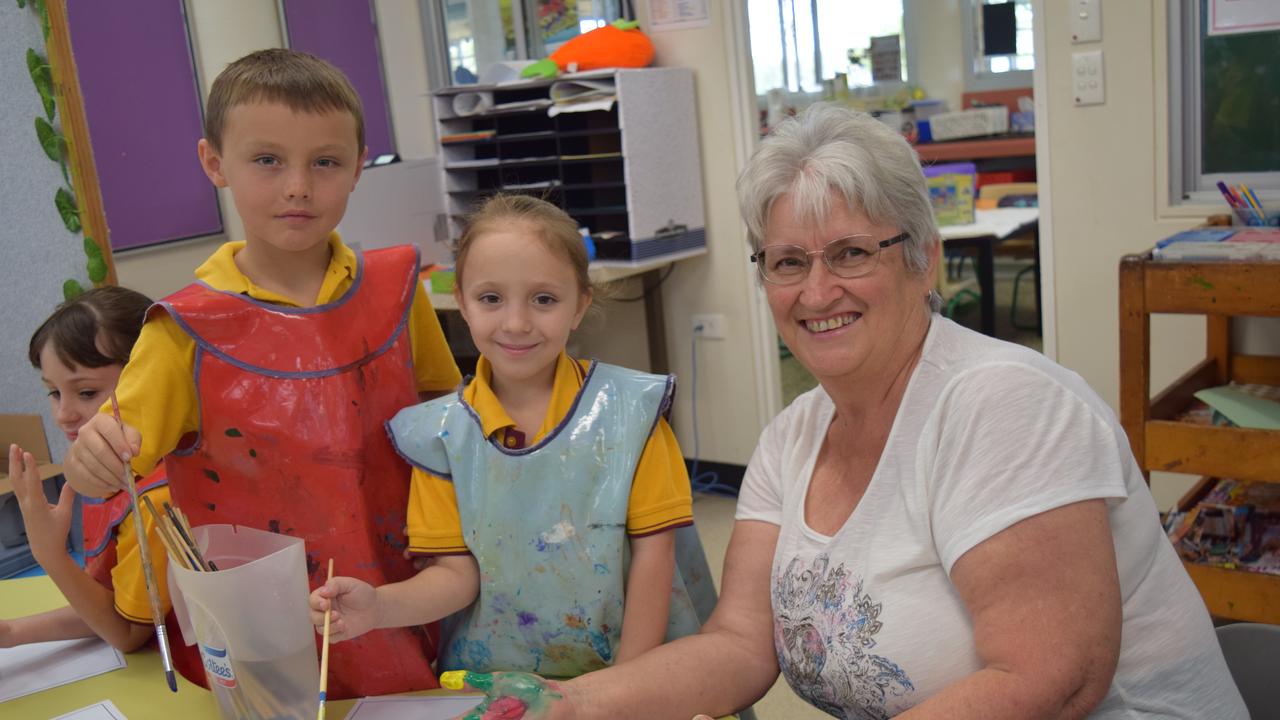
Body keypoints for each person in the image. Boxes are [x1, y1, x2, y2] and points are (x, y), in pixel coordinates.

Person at [445, 105, 1249, 719]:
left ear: (922, 258)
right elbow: (737, 643)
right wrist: (576, 703)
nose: (816, 291)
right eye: (788, 261)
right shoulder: (793, 437)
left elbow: (1050, 680)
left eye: (853, 253)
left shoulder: (1006, 408)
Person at [61, 49, 462, 700]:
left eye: (325, 161)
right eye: (267, 160)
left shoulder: (395, 290)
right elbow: (110, 463)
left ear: (360, 166)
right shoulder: (182, 331)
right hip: (262, 651)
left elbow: (448, 419)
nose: (298, 186)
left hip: (404, 606)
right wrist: (91, 460)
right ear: (214, 163)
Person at [309, 194, 708, 679]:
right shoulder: (440, 439)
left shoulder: (632, 413)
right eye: (491, 298)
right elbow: (457, 578)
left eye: (544, 299)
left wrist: (619, 692)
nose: (516, 323)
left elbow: (655, 556)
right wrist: (378, 608)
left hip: (629, 669)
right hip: (499, 678)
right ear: (461, 300)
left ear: (580, 304)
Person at [1, 287, 170, 653]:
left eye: (87, 393)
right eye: (54, 392)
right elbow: (107, 607)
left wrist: (49, 552)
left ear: (148, 382)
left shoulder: (159, 498)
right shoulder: (113, 472)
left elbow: (126, 633)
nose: (64, 415)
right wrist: (12, 633)